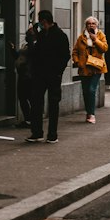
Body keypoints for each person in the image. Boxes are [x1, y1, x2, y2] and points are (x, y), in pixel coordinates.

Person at [26, 9, 71, 143]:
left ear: (44, 22)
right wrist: (30, 39)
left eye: (40, 22)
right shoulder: (41, 35)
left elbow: (65, 56)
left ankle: (52, 134)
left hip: (52, 75)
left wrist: (58, 72)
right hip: (40, 74)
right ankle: (37, 132)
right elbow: (34, 53)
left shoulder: (60, 35)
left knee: (53, 104)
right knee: (36, 102)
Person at [72, 15, 108, 124]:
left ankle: (91, 114)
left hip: (96, 67)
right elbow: (75, 51)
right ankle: (88, 112)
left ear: (96, 25)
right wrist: (77, 61)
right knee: (85, 91)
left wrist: (95, 40)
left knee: (91, 90)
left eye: (93, 23)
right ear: (86, 25)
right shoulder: (81, 37)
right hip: (84, 68)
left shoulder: (100, 35)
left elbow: (104, 48)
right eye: (89, 23)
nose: (91, 25)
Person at [14, 23, 36, 127]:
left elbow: (32, 54)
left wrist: (31, 38)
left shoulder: (35, 45)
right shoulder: (26, 45)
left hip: (29, 76)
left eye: (29, 35)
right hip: (22, 74)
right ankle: (28, 119)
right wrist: (13, 50)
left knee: (29, 98)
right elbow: (18, 56)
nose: (26, 37)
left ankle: (32, 119)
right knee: (22, 97)